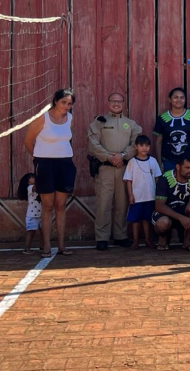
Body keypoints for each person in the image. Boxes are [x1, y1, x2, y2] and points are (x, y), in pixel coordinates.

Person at [23, 88, 77, 258]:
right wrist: (40, 159)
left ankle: (61, 245)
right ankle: (46, 245)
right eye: (64, 102)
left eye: (69, 103)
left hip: (65, 163)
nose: (66, 106)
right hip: (45, 164)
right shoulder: (42, 118)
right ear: (55, 101)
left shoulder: (70, 119)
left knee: (60, 206)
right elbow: (28, 141)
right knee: (47, 206)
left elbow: (67, 139)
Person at [87, 92, 142, 251]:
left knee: (122, 203)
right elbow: (93, 144)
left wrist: (123, 156)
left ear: (123, 104)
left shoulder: (131, 124)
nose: (116, 104)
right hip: (105, 168)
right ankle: (102, 237)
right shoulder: (99, 122)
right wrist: (110, 157)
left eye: (119, 101)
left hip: (124, 169)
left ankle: (120, 235)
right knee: (103, 203)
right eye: (113, 101)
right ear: (108, 102)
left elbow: (135, 144)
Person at [152, 155, 190, 251]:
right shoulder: (164, 179)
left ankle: (187, 240)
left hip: (185, 212)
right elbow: (159, 206)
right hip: (166, 214)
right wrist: (181, 218)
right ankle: (163, 238)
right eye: (187, 167)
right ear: (178, 167)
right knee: (163, 223)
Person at [153, 87, 190, 173]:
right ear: (170, 99)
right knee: (169, 185)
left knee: (189, 186)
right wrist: (159, 163)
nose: (179, 100)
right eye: (176, 97)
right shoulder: (162, 118)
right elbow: (158, 142)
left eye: (182, 97)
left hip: (189, 162)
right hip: (168, 162)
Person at [123, 135, 161, 250]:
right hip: (137, 197)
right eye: (141, 145)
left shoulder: (153, 161)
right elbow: (128, 180)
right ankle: (135, 241)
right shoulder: (132, 162)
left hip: (150, 196)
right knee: (136, 220)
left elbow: (157, 178)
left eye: (147, 145)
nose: (145, 148)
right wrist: (130, 195)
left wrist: (157, 195)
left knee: (147, 219)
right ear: (136, 147)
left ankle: (148, 240)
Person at [17, 173, 40, 255]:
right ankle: (27, 248)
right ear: (28, 181)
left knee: (43, 231)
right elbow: (37, 187)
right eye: (32, 177)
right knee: (31, 232)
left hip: (40, 213)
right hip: (32, 215)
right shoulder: (30, 188)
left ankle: (43, 246)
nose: (34, 178)